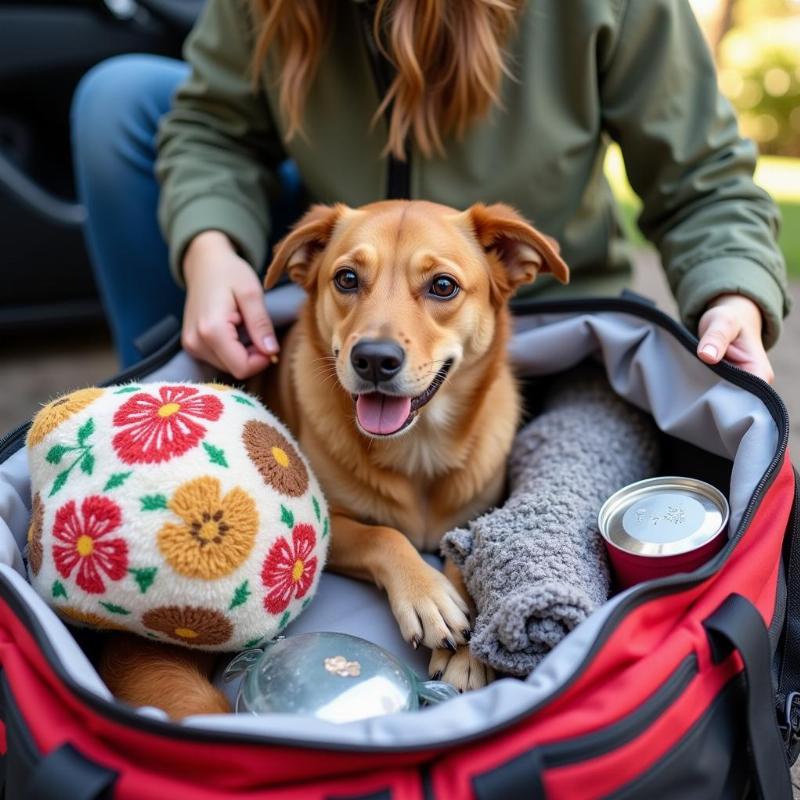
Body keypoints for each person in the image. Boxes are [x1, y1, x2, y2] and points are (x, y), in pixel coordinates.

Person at [72, 0, 790, 382]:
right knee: (121, 99)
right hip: (341, 287)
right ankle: (180, 400)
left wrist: (734, 296)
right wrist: (211, 249)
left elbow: (703, 179)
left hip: (537, 321)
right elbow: (211, 125)